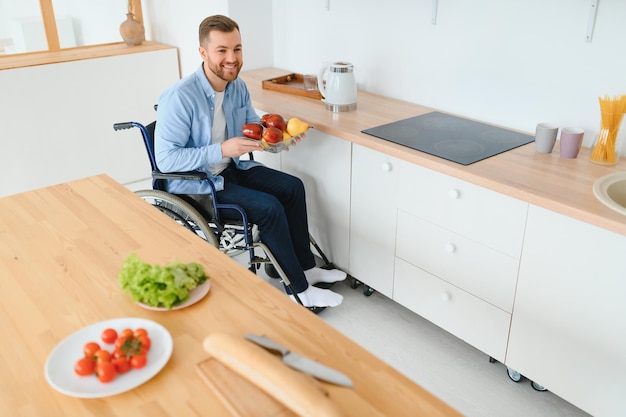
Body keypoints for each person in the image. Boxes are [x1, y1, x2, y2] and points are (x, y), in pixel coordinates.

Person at [154, 15, 346, 308]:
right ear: (203, 53)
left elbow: (253, 129)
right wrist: (221, 149)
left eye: (237, 49)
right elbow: (166, 161)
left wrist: (277, 140)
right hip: (196, 185)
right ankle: (299, 291)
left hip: (230, 169)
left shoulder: (237, 87)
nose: (232, 58)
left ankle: (305, 268)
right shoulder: (180, 98)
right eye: (222, 50)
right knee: (269, 208)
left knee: (293, 187)